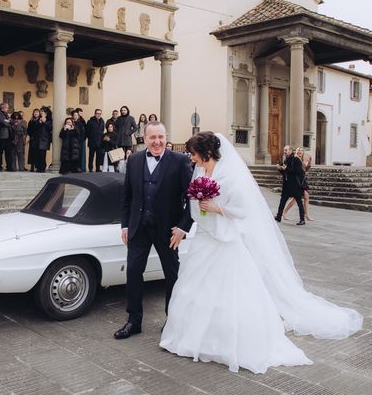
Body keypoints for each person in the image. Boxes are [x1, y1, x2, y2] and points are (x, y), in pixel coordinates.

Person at [160, 132, 363, 373]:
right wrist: (200, 210)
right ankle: (192, 337)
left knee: (230, 292)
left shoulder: (230, 175)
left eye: (193, 154)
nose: (190, 158)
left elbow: (243, 210)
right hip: (205, 239)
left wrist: (216, 208)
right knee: (194, 289)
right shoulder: (201, 173)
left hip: (225, 242)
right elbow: (192, 205)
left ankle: (227, 340)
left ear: (205, 153)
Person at [114, 121, 193, 340]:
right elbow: (127, 197)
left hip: (168, 230)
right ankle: (133, 321)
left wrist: (183, 228)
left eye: (161, 137)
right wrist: (125, 224)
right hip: (139, 226)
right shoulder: (135, 160)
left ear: (166, 137)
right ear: (144, 138)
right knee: (133, 273)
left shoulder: (180, 161)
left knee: (172, 275)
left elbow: (192, 200)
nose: (157, 142)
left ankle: (173, 320)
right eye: (152, 138)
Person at [275, 145, 305, 225]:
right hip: (287, 185)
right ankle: (278, 216)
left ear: (291, 151)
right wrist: (280, 169)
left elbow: (298, 172)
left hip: (295, 185)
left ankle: (302, 219)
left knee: (299, 202)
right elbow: (285, 173)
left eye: (286, 150)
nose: (284, 151)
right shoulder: (286, 160)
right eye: (284, 150)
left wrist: (286, 169)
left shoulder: (296, 160)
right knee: (282, 201)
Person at [283, 147, 313, 221]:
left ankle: (305, 214)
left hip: (301, 180)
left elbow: (305, 169)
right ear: (296, 152)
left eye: (302, 150)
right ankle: (284, 212)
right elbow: (301, 169)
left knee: (303, 197)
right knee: (298, 198)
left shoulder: (300, 159)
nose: (300, 152)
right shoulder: (296, 159)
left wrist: (309, 163)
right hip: (297, 181)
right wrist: (306, 162)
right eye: (299, 150)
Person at [33, 108, 52, 172]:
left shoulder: (49, 120)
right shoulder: (38, 119)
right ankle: (38, 167)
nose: (41, 113)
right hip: (37, 139)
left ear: (46, 113)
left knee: (42, 154)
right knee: (37, 154)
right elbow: (35, 128)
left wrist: (44, 122)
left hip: (44, 139)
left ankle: (42, 167)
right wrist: (39, 123)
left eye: (42, 112)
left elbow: (50, 128)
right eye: (40, 112)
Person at [0, 102, 13, 172]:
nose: (8, 109)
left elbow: (11, 121)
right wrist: (8, 122)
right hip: (1, 136)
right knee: (0, 153)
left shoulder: (6, 114)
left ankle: (9, 167)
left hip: (8, 137)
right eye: (7, 107)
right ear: (3, 108)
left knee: (8, 152)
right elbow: (3, 123)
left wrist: (8, 121)